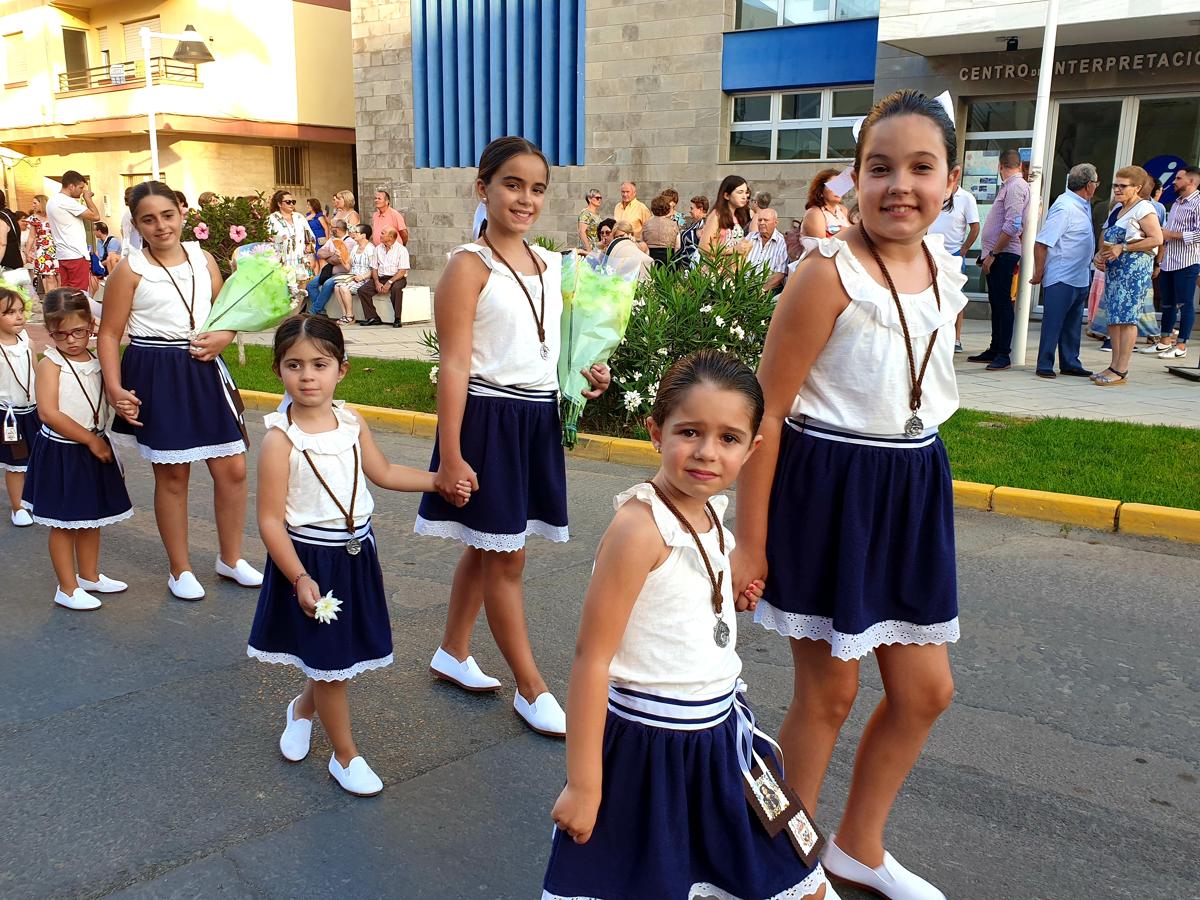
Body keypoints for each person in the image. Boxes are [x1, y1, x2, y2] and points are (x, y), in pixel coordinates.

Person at [733, 90, 968, 900]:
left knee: (926, 691)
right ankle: (781, 864)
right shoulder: (825, 274)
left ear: (951, 180)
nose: (900, 185)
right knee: (828, 692)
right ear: (854, 180)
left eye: (921, 168)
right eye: (880, 168)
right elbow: (765, 413)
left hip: (911, 492)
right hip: (829, 493)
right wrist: (750, 540)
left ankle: (859, 847)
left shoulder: (944, 269)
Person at [543, 351, 832, 900]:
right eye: (690, 432)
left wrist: (725, 600)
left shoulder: (710, 515)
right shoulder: (639, 529)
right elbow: (591, 659)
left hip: (722, 741)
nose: (706, 452)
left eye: (729, 438)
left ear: (752, 449)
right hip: (649, 751)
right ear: (656, 432)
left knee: (792, 879)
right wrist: (584, 784)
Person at [416, 136, 611, 738]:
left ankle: (452, 651)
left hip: (535, 420)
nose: (526, 199)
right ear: (483, 188)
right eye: (512, 184)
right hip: (488, 421)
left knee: (488, 544)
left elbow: (550, 348)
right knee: (507, 555)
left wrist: (585, 374)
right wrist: (451, 455)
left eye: (537, 188)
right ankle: (532, 688)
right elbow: (455, 365)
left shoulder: (551, 265)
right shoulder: (467, 266)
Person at [247, 315, 472, 796]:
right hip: (310, 562)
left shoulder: (351, 422)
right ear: (278, 370)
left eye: (320, 364)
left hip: (355, 557)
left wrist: (438, 481)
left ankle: (301, 710)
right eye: (294, 365)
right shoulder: (279, 440)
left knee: (334, 658)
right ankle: (345, 756)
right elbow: (269, 521)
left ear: (341, 370)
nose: (308, 376)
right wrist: (299, 577)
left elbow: (383, 472)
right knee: (332, 666)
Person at [99, 180, 262, 601]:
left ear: (182, 213)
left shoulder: (203, 258)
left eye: (167, 215)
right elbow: (109, 333)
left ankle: (230, 558)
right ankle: (180, 568)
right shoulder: (130, 270)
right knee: (173, 475)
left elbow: (228, 312)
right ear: (136, 225)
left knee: (233, 469)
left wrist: (225, 336)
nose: (161, 226)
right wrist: (114, 387)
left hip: (205, 369)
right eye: (148, 220)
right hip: (157, 372)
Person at [22, 288, 132, 611]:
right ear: (49, 331)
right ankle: (67, 589)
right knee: (64, 523)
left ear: (91, 326)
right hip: (64, 451)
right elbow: (49, 413)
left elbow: (107, 397)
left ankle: (89, 576)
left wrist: (123, 405)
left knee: (90, 517)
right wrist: (91, 440)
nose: (70, 340)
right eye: (61, 334)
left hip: (90, 446)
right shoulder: (51, 365)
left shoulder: (97, 361)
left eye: (78, 332)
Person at [1091, 166, 1163, 385]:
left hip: (1133, 272)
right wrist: (1100, 255)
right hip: (1116, 271)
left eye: (1123, 186)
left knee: (1127, 319)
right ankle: (1113, 365)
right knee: (1114, 319)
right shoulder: (1118, 209)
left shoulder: (1144, 208)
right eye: (1115, 185)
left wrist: (1123, 248)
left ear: (1137, 187)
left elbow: (1157, 239)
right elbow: (1108, 239)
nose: (1117, 189)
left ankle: (1121, 369)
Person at [1030, 163, 1099, 379]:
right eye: (1096, 183)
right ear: (1089, 185)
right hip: (1061, 276)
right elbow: (1042, 243)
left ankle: (1070, 362)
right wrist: (1039, 273)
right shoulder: (1065, 207)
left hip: (1079, 275)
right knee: (1054, 323)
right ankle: (1045, 364)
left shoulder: (1083, 204)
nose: (1096, 186)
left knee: (1072, 324)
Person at [970, 149, 1029, 370]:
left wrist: (994, 253)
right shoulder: (1009, 186)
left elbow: (1013, 224)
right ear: (1020, 165)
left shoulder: (1015, 187)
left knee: (1002, 303)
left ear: (1000, 166)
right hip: (996, 252)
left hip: (1003, 253)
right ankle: (995, 348)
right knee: (996, 302)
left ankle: (1003, 353)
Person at [1152, 165, 1200, 360]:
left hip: (1187, 261)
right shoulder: (1177, 202)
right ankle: (1164, 341)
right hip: (1169, 261)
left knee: (1184, 303)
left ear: (1191, 181)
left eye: (1179, 178)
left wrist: (1171, 234)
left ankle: (1181, 345)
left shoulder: (1198, 203)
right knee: (1167, 303)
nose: (1174, 181)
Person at [0, 286, 38, 527]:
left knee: (35, 457)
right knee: (16, 464)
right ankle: (18, 507)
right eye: (9, 312)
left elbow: (35, 370)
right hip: (8, 416)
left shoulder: (26, 341)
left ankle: (32, 497)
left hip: (32, 409)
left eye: (21, 310)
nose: (19, 317)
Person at [929, 185, 981, 351]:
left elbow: (975, 227)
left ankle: (956, 339)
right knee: (931, 295)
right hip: (931, 251)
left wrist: (963, 249)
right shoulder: (933, 191)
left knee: (955, 296)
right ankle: (933, 336)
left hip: (953, 254)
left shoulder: (966, 198)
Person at [46, 171, 101, 291]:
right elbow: (96, 216)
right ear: (71, 186)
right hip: (76, 254)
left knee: (67, 293)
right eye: (81, 187)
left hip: (63, 254)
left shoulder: (52, 200)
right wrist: (87, 198)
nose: (82, 191)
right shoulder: (66, 201)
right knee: (78, 293)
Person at [356, 226, 409, 328]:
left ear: (390, 237)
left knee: (396, 289)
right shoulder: (378, 249)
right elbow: (374, 268)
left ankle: (397, 318)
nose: (380, 235)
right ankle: (373, 318)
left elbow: (402, 271)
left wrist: (389, 282)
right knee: (363, 290)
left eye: (383, 233)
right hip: (381, 277)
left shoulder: (402, 250)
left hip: (397, 278)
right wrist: (376, 282)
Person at [267, 190, 316, 283]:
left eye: (293, 202)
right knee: (285, 288)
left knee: (302, 287)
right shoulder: (271, 219)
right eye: (288, 202)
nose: (291, 204)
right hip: (282, 260)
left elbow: (309, 236)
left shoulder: (299, 217)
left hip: (300, 259)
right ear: (279, 204)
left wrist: (310, 247)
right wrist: (279, 239)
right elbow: (267, 239)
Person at [307, 220, 352, 317]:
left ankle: (314, 311)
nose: (330, 229)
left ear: (338, 229)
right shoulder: (332, 239)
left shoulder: (349, 242)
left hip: (343, 273)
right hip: (328, 271)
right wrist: (332, 254)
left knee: (327, 284)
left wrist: (327, 257)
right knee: (311, 285)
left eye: (332, 227)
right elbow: (319, 252)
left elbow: (337, 260)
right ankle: (321, 311)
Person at [331, 224, 374, 326]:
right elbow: (348, 268)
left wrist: (362, 277)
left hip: (364, 278)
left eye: (356, 232)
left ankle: (350, 316)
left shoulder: (370, 249)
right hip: (352, 276)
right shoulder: (355, 248)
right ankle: (345, 314)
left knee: (343, 288)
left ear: (363, 235)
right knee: (337, 286)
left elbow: (374, 269)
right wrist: (341, 257)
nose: (353, 234)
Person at [700, 175, 752, 255]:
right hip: (717, 263)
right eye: (740, 192)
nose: (744, 197)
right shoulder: (716, 216)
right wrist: (733, 249)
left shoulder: (737, 215)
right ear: (727, 195)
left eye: (746, 192)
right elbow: (703, 247)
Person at [747, 207, 790, 295]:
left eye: (766, 220)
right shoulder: (750, 237)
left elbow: (780, 273)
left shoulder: (783, 243)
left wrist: (760, 291)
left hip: (767, 292)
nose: (762, 223)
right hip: (743, 287)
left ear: (775, 223)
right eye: (759, 220)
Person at [802, 170, 851, 240]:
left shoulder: (843, 210)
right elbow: (822, 245)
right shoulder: (814, 213)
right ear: (820, 191)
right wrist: (845, 232)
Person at [28, 194, 60, 293]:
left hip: (57, 247)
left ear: (41, 203)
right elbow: (31, 236)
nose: (33, 205)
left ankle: (61, 297)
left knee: (59, 276)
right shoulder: (33, 218)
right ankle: (52, 298)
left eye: (35, 203)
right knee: (49, 276)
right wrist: (27, 251)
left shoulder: (54, 215)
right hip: (42, 250)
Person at [641, 195, 680, 266]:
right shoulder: (674, 224)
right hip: (668, 257)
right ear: (667, 209)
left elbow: (642, 242)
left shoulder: (646, 224)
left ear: (653, 209)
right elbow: (677, 246)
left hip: (650, 256)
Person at [678, 196, 708, 269]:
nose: (690, 211)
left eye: (692, 208)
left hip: (695, 267)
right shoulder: (696, 223)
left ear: (700, 209)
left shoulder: (703, 225)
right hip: (689, 265)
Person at [119, 187, 144, 258]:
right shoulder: (137, 213)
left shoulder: (126, 215)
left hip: (127, 244)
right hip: (136, 245)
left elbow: (122, 231)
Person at [576, 189, 603, 253]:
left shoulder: (596, 214)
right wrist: (588, 249)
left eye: (600, 198)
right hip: (588, 249)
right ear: (589, 199)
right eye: (597, 198)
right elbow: (582, 232)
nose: (599, 200)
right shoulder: (586, 213)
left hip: (596, 248)